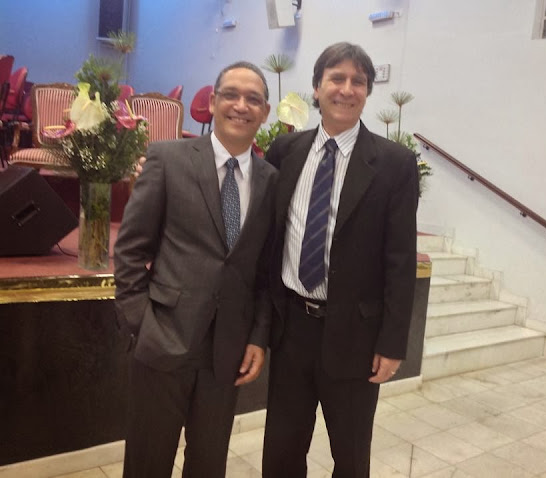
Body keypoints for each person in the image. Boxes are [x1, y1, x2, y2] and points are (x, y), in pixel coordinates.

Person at [261, 42, 419, 478]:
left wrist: (392, 342)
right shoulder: (284, 152)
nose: (346, 89)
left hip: (356, 336)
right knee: (281, 452)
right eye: (336, 78)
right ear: (316, 88)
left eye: (358, 81)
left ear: (367, 92)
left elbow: (400, 259)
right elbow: (269, 240)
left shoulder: (394, 164)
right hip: (291, 328)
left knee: (350, 457)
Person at [113, 61, 276, 478]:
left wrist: (257, 336)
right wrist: (141, 323)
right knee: (147, 464)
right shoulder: (168, 158)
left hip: (227, 352)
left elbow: (264, 270)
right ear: (213, 102)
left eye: (253, 99)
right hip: (164, 338)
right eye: (231, 95)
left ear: (265, 112)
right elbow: (130, 249)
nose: (241, 106)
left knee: (208, 465)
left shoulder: (271, 180)